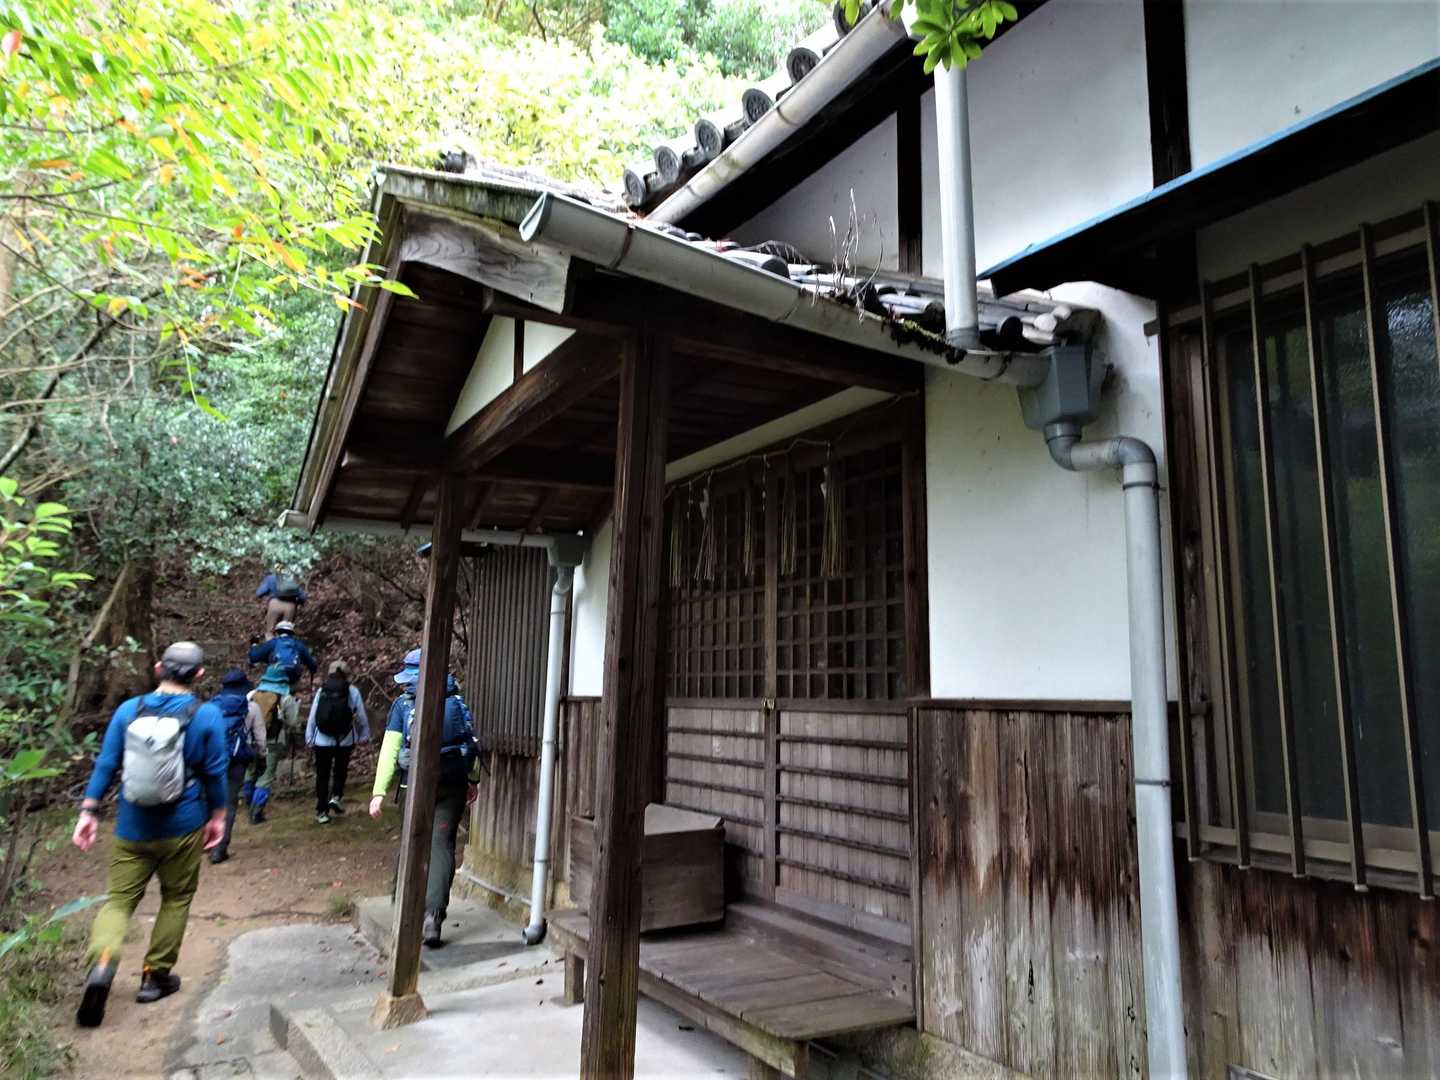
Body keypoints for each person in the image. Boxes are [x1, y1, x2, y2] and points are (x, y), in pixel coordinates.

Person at [71, 642, 228, 1028]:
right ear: (199, 675)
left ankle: (103, 964)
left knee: (119, 901)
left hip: (132, 826)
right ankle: (154, 977)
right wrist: (218, 817)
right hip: (183, 826)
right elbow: (215, 773)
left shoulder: (128, 710)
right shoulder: (207, 715)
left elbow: (107, 764)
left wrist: (89, 811)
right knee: (176, 897)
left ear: (158, 669)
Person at [369, 648, 479, 948]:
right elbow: (470, 742)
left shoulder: (403, 705)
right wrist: (472, 779)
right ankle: (434, 918)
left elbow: (390, 751)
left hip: (415, 785)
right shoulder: (456, 700)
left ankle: (404, 908)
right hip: (452, 783)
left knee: (412, 842)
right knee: (442, 846)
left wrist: (379, 791)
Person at [206, 669, 266, 864]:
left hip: (212, 759)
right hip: (237, 759)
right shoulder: (252, 707)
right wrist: (261, 756)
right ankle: (220, 848)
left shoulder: (211, 706)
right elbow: (260, 738)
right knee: (229, 803)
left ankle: (207, 842)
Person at [306, 660, 370, 825]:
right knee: (340, 771)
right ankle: (336, 797)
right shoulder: (352, 691)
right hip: (344, 739)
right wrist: (364, 735)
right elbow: (361, 715)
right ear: (346, 674)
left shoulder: (322, 690)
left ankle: (321, 811)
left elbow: (313, 715)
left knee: (322, 775)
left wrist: (309, 736)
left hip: (322, 740)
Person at [247, 663, 300, 824]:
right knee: (265, 777)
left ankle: (249, 805)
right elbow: (292, 722)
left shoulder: (251, 694)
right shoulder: (285, 698)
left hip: (249, 740)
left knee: (249, 773)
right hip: (272, 742)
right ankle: (256, 813)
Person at [247, 619, 317, 688]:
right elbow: (312, 665)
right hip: (293, 675)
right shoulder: (298, 644)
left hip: (275, 674)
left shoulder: (273, 643)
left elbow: (254, 657)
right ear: (292, 633)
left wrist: (254, 645)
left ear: (277, 633)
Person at [255, 572, 307, 638]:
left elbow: (259, 593)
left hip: (274, 604)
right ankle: (283, 643)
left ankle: (270, 642)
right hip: (290, 607)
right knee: (285, 633)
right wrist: (297, 602)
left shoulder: (271, 578)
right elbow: (303, 597)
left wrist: (269, 593)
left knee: (270, 632)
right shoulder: (292, 579)